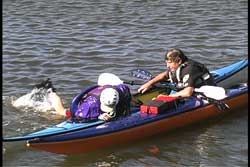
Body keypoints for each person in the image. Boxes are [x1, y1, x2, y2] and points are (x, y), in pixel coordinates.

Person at [138, 48, 215, 98]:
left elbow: (188, 92)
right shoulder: (177, 67)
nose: (167, 66)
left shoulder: (190, 69)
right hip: (183, 87)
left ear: (179, 61)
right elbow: (165, 75)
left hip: (200, 90)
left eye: (169, 63)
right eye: (167, 63)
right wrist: (150, 83)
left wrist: (168, 97)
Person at [48, 84, 131, 122]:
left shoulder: (121, 90)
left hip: (99, 95)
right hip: (82, 107)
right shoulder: (89, 106)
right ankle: (52, 94)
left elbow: (126, 89)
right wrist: (98, 116)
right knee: (63, 112)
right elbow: (77, 118)